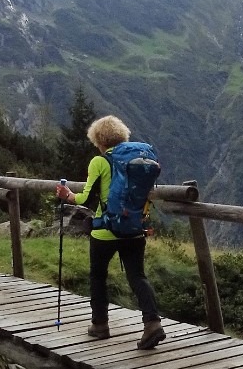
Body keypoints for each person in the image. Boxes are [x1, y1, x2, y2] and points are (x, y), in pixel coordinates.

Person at [56, 115, 166, 350]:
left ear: (99, 140)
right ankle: (152, 323)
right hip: (135, 229)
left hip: (105, 231)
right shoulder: (137, 159)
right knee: (137, 276)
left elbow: (84, 197)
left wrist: (67, 196)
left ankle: (100, 325)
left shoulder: (100, 161)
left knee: (98, 276)